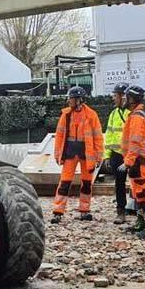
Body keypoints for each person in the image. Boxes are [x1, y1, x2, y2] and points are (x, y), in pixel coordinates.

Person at [51, 86, 104, 223]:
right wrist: (57, 154)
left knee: (86, 183)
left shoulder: (91, 115)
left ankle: (84, 211)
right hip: (70, 153)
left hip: (86, 154)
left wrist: (99, 156)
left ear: (79, 100)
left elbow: (98, 137)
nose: (69, 101)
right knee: (64, 182)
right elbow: (60, 135)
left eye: (71, 99)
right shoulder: (66, 114)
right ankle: (58, 211)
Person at [119, 85, 145, 238]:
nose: (123, 99)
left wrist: (127, 162)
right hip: (138, 162)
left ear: (132, 99)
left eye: (126, 97)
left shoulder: (136, 117)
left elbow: (135, 142)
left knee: (142, 194)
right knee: (138, 194)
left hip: (138, 162)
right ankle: (141, 222)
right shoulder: (138, 115)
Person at [102, 82, 130, 224]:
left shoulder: (133, 113)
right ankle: (121, 211)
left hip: (131, 155)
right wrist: (107, 156)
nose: (113, 98)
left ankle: (142, 211)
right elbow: (109, 135)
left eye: (115, 95)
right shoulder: (114, 113)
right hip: (117, 155)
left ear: (123, 96)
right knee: (119, 184)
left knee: (138, 184)